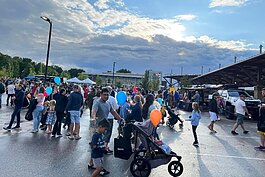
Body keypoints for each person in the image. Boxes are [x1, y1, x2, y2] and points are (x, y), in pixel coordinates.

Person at [88, 87, 122, 173]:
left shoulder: (108, 103)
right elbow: (94, 112)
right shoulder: (97, 103)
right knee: (97, 146)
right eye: (105, 95)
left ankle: (93, 163)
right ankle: (97, 167)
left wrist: (120, 119)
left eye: (108, 95)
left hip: (104, 128)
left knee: (99, 147)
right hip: (97, 128)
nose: (106, 96)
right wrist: (94, 118)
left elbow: (113, 112)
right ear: (101, 94)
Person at [104, 86, 119, 154]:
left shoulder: (101, 98)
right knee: (108, 132)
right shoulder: (112, 99)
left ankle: (102, 146)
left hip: (103, 117)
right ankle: (106, 146)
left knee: (103, 132)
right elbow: (116, 107)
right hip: (110, 117)